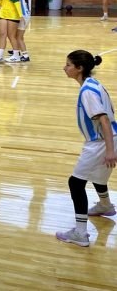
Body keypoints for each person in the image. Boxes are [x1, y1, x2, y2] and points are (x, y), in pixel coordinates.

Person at [56, 50, 116, 247]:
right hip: (110, 138)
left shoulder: (87, 92)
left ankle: (80, 233)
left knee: (75, 183)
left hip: (100, 142)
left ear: (79, 68)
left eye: (68, 65)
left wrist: (109, 151)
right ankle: (105, 206)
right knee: (98, 177)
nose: (64, 68)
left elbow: (103, 120)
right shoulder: (93, 83)